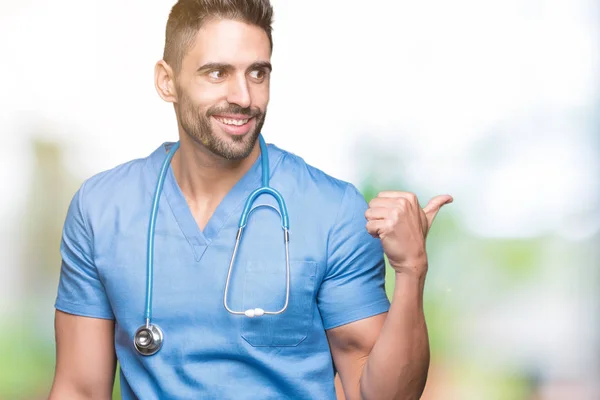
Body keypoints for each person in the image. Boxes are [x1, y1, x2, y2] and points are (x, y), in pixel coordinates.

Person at [48, 0, 452, 399]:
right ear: (166, 81)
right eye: (218, 72)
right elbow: (79, 389)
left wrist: (411, 269)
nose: (243, 96)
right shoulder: (101, 209)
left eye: (257, 72)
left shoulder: (332, 211)